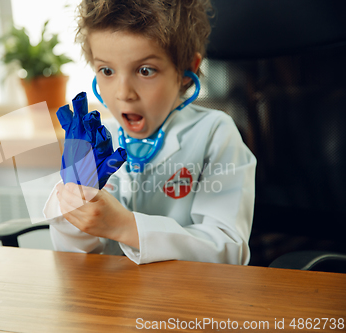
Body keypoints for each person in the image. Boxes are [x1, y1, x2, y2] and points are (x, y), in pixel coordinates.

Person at [43, 0, 257, 265]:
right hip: (117, 297)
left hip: (192, 297)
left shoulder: (215, 134)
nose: (123, 93)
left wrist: (125, 226)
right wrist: (75, 207)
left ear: (186, 72)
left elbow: (228, 250)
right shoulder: (98, 141)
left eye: (145, 70)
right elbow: (74, 258)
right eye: (107, 70)